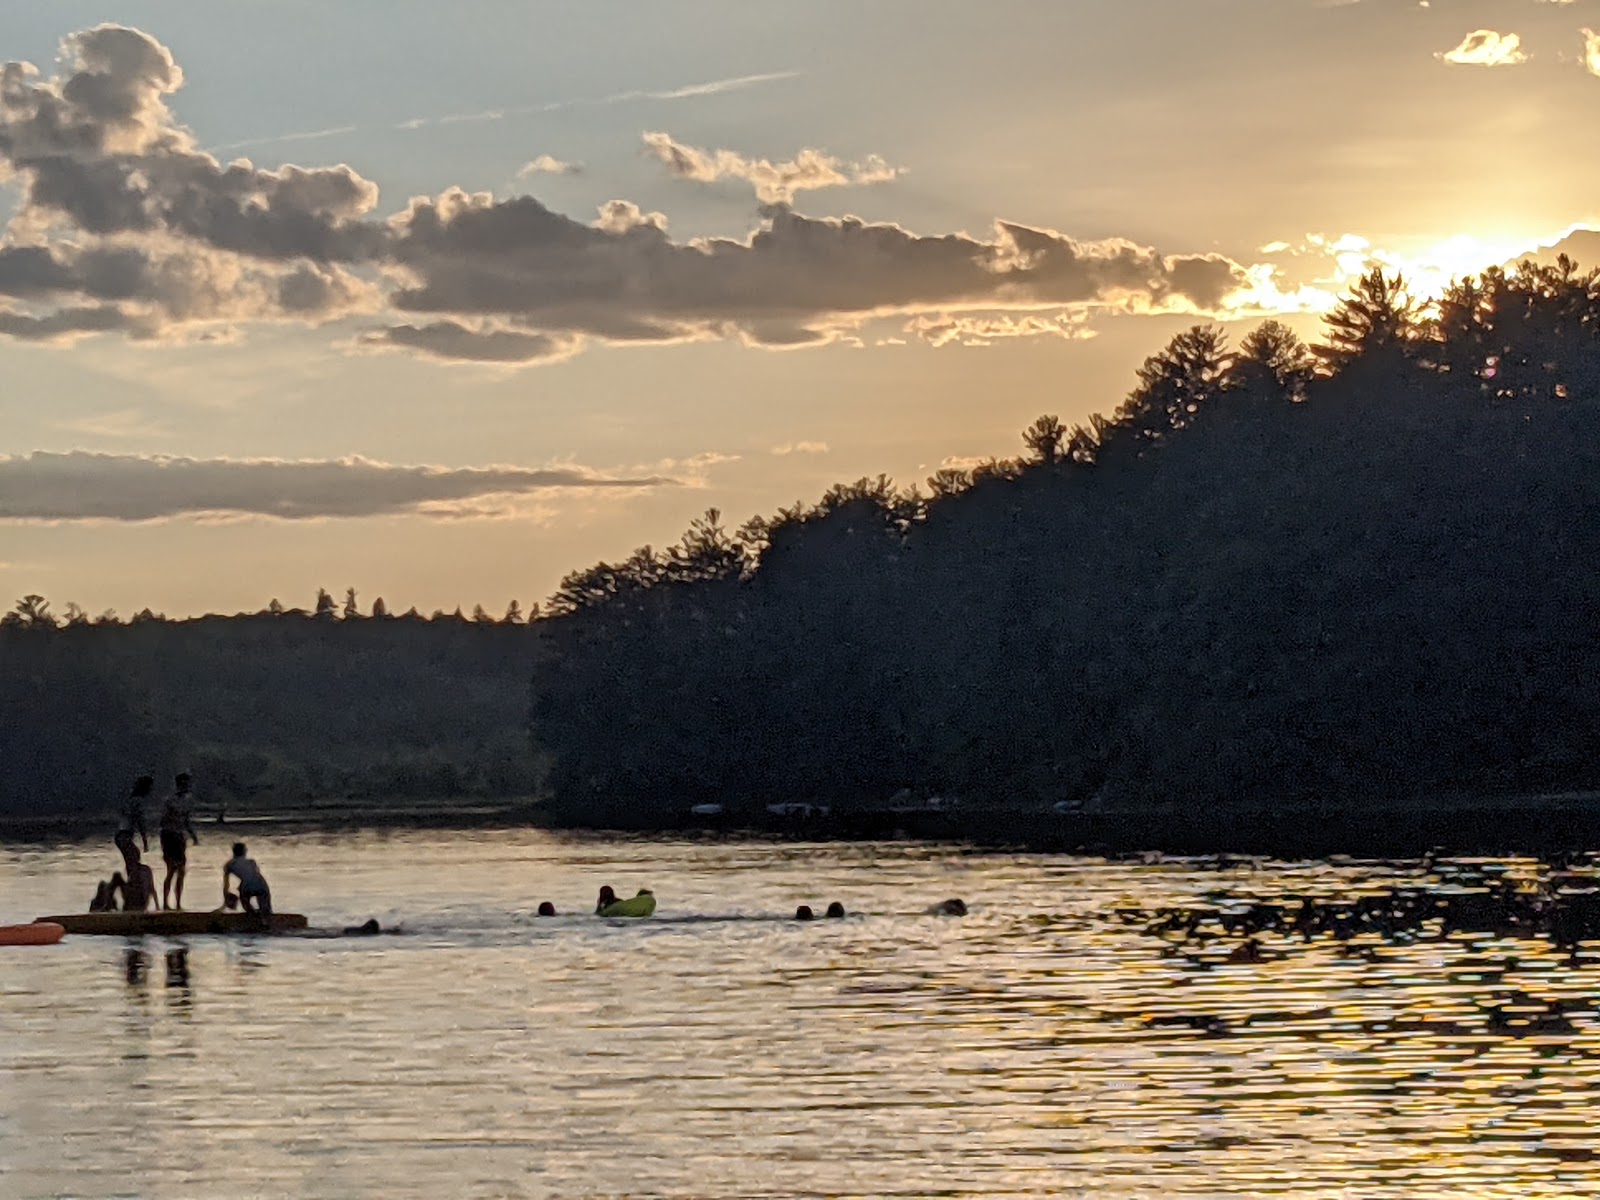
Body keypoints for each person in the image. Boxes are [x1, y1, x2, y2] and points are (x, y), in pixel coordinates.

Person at [159, 773, 200, 910]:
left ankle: (178, 904)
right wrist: (173, 816)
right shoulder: (169, 800)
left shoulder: (188, 800)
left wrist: (193, 835)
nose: (188, 786)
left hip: (179, 837)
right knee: (171, 870)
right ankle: (165, 903)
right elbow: (163, 821)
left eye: (188, 784)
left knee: (181, 871)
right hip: (169, 836)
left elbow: (186, 820)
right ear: (179, 784)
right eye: (185, 784)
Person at [115, 776, 153, 875]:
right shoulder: (138, 801)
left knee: (132, 861)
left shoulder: (130, 799)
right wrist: (145, 841)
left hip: (121, 835)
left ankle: (131, 883)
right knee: (134, 860)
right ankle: (132, 884)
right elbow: (140, 821)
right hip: (125, 835)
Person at [223, 842, 272, 917]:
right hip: (261, 884)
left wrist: (226, 898)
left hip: (247, 887)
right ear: (244, 852)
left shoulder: (229, 864)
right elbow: (254, 875)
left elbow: (226, 885)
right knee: (265, 907)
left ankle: (253, 916)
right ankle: (266, 916)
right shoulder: (251, 862)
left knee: (246, 904)